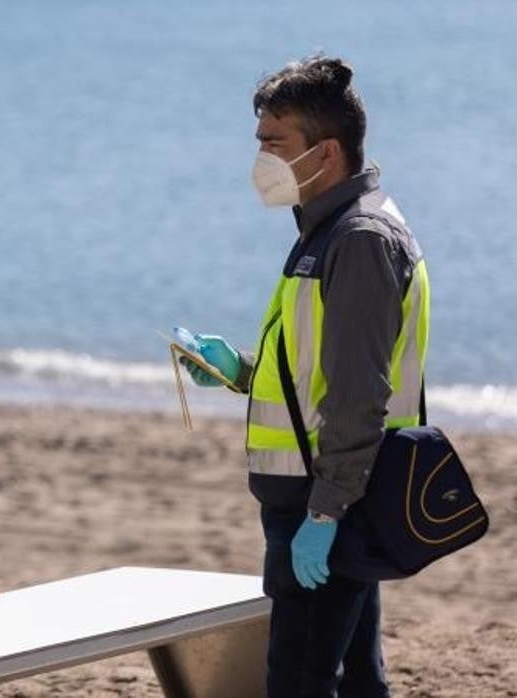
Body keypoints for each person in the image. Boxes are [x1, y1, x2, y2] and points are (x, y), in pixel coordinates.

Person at [183, 56, 429, 697]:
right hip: (324, 494)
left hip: (327, 499)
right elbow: (317, 367)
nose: (261, 159)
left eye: (274, 143)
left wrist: (325, 516)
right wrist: (238, 370)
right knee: (353, 680)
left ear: (325, 153)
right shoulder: (329, 230)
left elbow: (359, 393)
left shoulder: (361, 239)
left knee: (299, 680)